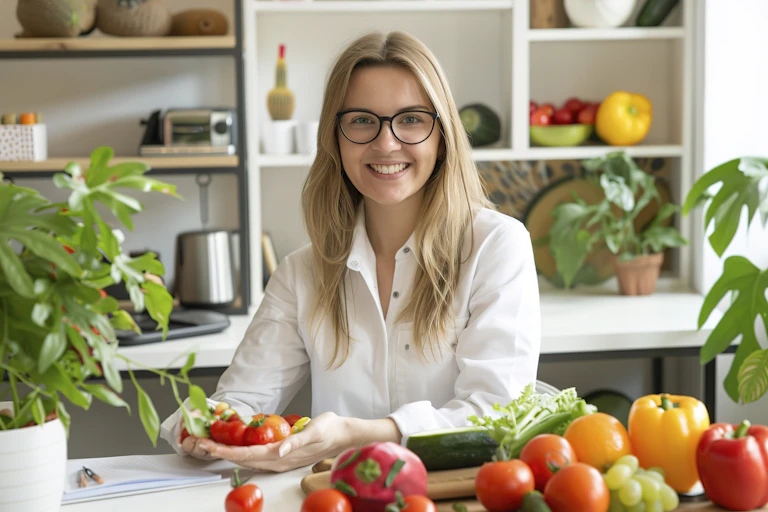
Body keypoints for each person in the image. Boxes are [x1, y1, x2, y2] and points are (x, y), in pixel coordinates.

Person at [159, 30, 541, 473]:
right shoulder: (301, 272)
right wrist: (201, 432)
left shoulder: (496, 246)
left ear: (442, 136)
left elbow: (494, 415)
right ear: (335, 138)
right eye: (361, 120)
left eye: (412, 119)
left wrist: (354, 435)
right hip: (340, 497)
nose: (386, 143)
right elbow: (241, 401)